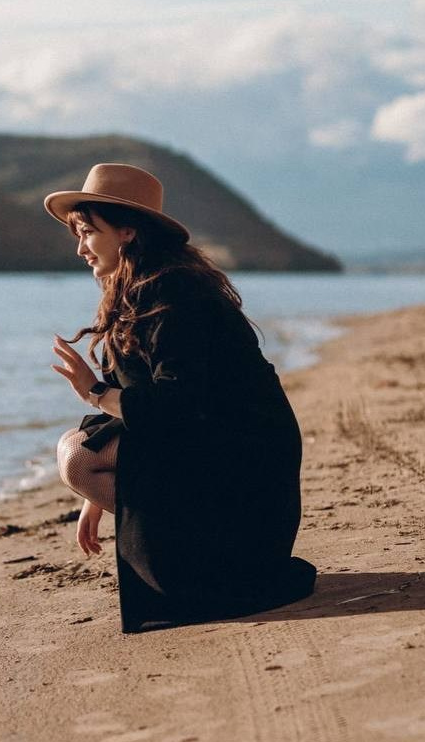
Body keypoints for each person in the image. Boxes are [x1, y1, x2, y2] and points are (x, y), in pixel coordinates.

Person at [45, 163, 316, 634]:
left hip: (247, 474)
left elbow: (175, 405)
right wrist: (101, 495)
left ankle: (215, 560)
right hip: (211, 454)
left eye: (89, 232)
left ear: (127, 232)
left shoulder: (177, 294)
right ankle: (204, 555)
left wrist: (93, 392)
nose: (80, 247)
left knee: (76, 455)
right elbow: (145, 404)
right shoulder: (137, 290)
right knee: (81, 455)